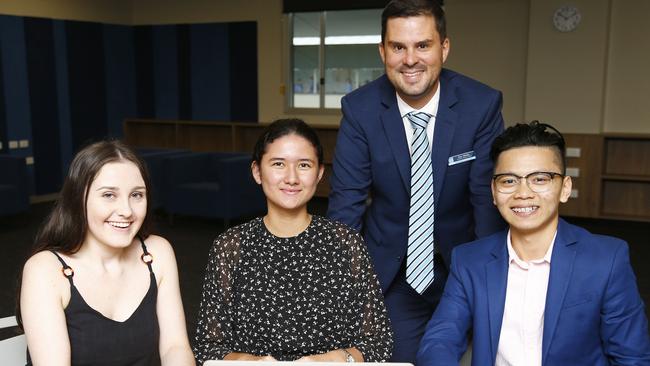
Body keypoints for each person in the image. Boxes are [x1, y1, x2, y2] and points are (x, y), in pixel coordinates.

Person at [327, 0, 506, 361]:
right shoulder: (360, 109)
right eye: (398, 47)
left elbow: (486, 202)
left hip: (463, 264)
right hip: (395, 269)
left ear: (444, 47)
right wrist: (345, 292)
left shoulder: (480, 105)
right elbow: (346, 205)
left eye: (423, 45)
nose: (410, 60)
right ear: (383, 51)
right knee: (400, 359)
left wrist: (488, 286)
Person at [417, 121, 650, 365]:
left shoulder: (606, 260)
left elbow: (632, 358)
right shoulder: (469, 260)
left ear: (565, 188)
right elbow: (439, 340)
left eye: (540, 179)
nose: (523, 193)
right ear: (494, 192)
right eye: (508, 181)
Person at [193, 119, 392, 364]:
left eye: (304, 165)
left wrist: (333, 360)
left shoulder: (346, 243)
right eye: (278, 164)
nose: (292, 178)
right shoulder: (230, 246)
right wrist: (252, 362)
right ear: (257, 171)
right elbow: (208, 348)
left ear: (319, 173)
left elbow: (378, 342)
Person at [19, 140, 194, 366]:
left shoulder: (157, 252)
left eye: (137, 195)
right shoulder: (45, 270)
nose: (126, 211)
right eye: (109, 195)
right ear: (79, 199)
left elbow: (175, 348)